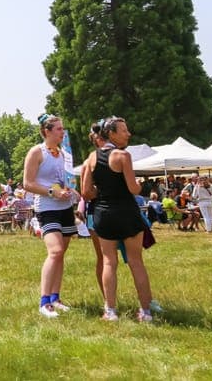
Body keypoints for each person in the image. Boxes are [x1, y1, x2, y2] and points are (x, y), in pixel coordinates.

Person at [80, 116, 156, 323]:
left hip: (103, 214)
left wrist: (104, 193)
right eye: (124, 130)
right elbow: (133, 189)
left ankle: (110, 311)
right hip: (126, 212)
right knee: (136, 262)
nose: (128, 133)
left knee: (108, 262)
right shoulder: (123, 156)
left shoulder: (91, 158)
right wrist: (144, 186)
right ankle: (146, 312)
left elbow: (86, 192)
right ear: (111, 133)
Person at [23, 114, 77, 318]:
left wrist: (72, 190)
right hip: (46, 207)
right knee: (54, 251)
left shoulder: (64, 154)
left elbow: (64, 180)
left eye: (63, 129)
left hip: (65, 207)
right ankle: (44, 301)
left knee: (61, 253)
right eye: (58, 129)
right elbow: (27, 184)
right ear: (47, 131)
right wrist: (52, 192)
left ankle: (56, 297)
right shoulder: (36, 152)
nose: (63, 132)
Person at [78, 121, 107, 302]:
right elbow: (85, 192)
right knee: (103, 257)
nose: (102, 140)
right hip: (95, 212)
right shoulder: (89, 162)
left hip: (116, 210)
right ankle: (108, 299)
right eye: (99, 138)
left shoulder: (119, 156)